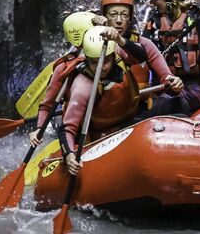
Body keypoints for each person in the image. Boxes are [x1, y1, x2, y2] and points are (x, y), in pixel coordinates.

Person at [60, 26, 142, 175]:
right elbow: (67, 129)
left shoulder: (119, 58)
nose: (101, 68)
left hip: (126, 125)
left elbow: (142, 56)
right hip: (100, 138)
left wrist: (119, 39)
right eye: (94, 62)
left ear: (113, 57)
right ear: (88, 60)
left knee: (174, 105)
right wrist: (69, 155)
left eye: (105, 61)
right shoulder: (83, 86)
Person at [99, 0, 183, 98]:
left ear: (129, 18)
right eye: (113, 14)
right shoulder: (94, 41)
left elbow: (166, 76)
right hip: (107, 107)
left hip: (140, 108)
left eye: (124, 15)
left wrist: (174, 82)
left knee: (180, 104)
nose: (119, 20)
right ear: (104, 16)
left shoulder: (144, 44)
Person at [28, 11, 95, 146]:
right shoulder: (64, 67)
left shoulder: (110, 55)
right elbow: (47, 105)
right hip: (78, 128)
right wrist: (39, 129)